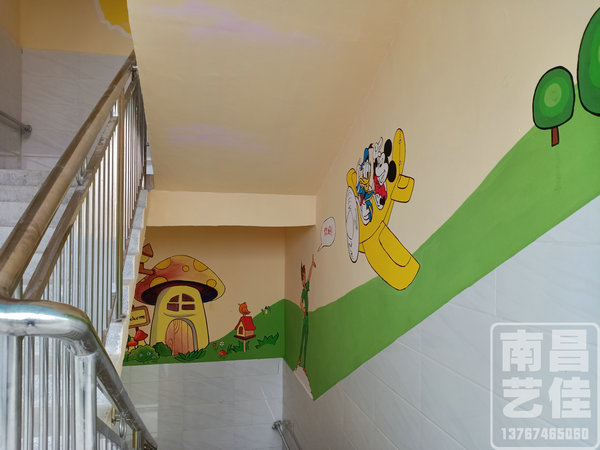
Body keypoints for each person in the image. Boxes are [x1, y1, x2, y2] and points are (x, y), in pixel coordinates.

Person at [298, 254, 316, 372]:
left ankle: (304, 365)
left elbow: (309, 275)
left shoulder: (307, 287)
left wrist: (311, 265)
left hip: (308, 317)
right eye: (303, 279)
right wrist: (303, 309)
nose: (304, 281)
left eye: (304, 279)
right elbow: (300, 302)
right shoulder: (303, 292)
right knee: (302, 339)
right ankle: (300, 359)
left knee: (306, 341)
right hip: (305, 317)